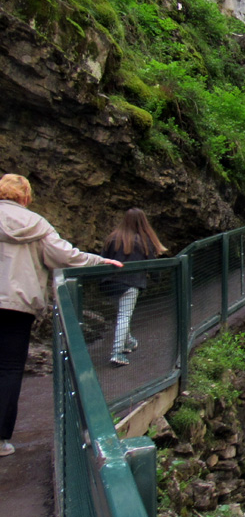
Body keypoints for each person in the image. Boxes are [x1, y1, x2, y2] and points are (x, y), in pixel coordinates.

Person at [0, 174, 123, 458]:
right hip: (17, 307)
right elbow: (66, 257)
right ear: (25, 197)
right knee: (8, 369)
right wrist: (99, 260)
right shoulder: (36, 224)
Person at [100, 208, 167, 367]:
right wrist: (156, 279)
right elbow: (152, 264)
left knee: (121, 314)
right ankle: (117, 353)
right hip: (131, 283)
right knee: (124, 316)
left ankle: (128, 341)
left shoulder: (113, 238)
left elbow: (102, 259)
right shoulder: (144, 241)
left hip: (110, 283)